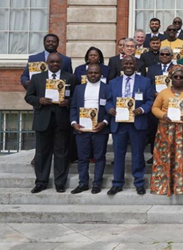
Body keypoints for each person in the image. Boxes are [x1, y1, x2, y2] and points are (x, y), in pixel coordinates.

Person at [25, 53, 77, 193]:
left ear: (61, 63)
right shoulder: (37, 78)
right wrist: (39, 101)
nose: (55, 64)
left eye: (57, 62)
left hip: (62, 119)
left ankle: (60, 183)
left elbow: (76, 97)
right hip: (43, 119)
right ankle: (41, 182)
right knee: (42, 153)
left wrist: (68, 102)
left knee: (61, 153)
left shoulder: (70, 77)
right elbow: (28, 97)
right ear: (47, 62)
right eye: (52, 61)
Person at [105, 56, 154, 196]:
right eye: (125, 63)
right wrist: (109, 109)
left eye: (131, 63)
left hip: (137, 123)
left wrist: (142, 109)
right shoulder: (113, 82)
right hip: (119, 124)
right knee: (118, 155)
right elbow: (108, 101)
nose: (128, 65)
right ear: (121, 65)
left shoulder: (144, 82)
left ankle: (139, 183)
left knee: (138, 155)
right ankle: (117, 183)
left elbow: (150, 100)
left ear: (136, 65)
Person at [151, 65, 183, 195]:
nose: (178, 79)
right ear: (171, 78)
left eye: (181, 77)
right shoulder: (163, 93)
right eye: (175, 77)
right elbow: (155, 108)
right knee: (165, 157)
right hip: (166, 130)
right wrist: (163, 115)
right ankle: (164, 185)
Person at [69, 64, 110, 194]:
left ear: (101, 74)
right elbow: (73, 107)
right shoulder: (79, 89)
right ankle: (83, 183)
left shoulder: (107, 88)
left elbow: (110, 108)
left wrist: (104, 122)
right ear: (86, 74)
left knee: (99, 157)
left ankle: (97, 183)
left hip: (100, 129)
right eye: (91, 73)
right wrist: (74, 123)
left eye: (96, 73)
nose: (93, 75)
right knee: (82, 158)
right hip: (81, 129)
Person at [146, 47, 176, 163]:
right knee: (154, 131)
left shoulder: (176, 69)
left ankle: (171, 154)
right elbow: (147, 84)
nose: (164, 56)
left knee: (171, 131)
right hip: (156, 104)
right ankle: (155, 155)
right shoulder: (152, 69)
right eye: (162, 54)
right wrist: (155, 93)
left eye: (167, 54)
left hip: (172, 104)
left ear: (171, 56)